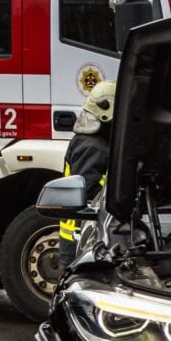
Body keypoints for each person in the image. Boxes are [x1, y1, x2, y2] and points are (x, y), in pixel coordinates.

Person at [58, 79, 116, 266]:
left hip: (82, 236)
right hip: (81, 239)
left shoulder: (89, 141)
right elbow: (88, 193)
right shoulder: (93, 147)